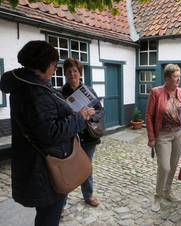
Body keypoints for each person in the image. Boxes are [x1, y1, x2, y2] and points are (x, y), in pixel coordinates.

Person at [0, 41, 93, 226]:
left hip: (41, 165)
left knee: (47, 216)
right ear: (43, 63)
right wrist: (80, 117)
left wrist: (70, 113)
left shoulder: (33, 85)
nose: (56, 69)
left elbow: (46, 121)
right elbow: (50, 132)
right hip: (45, 168)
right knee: (48, 219)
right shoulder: (34, 91)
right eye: (54, 64)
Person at [58, 58, 105, 213]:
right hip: (69, 138)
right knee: (67, 169)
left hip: (88, 136)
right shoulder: (60, 94)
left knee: (86, 167)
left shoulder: (88, 91)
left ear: (80, 73)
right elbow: (57, 117)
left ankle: (88, 194)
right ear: (64, 74)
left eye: (75, 71)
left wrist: (89, 116)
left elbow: (100, 110)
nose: (72, 74)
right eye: (69, 71)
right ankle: (61, 204)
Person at [146, 63, 181, 212]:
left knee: (172, 165)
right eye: (176, 76)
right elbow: (149, 115)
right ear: (167, 78)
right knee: (164, 167)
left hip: (179, 133)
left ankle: (167, 191)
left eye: (179, 76)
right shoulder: (156, 92)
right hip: (163, 134)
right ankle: (157, 196)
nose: (179, 79)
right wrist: (151, 137)